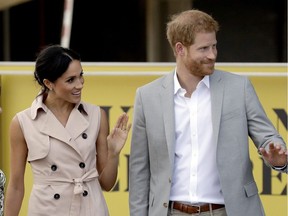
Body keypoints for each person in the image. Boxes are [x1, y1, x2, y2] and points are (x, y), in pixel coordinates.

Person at [129, 9, 287, 216]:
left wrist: (279, 158)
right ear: (180, 49)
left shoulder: (239, 87)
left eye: (214, 46)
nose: (212, 54)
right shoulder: (147, 96)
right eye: (203, 48)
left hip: (229, 211)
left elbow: (268, 137)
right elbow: (139, 170)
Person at [4, 44, 131, 216]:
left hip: (90, 209)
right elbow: (16, 186)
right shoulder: (22, 122)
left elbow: (107, 184)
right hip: (47, 210)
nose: (79, 85)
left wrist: (114, 153)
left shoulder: (96, 115)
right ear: (49, 83)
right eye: (70, 80)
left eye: (81, 76)